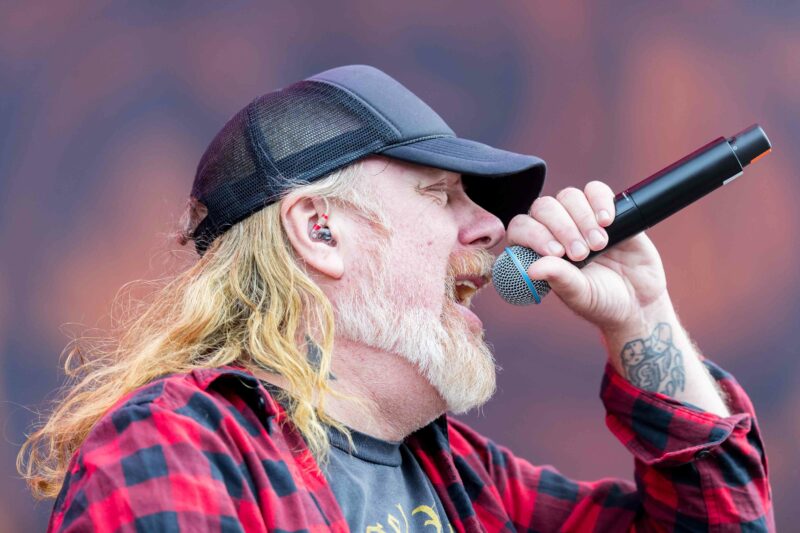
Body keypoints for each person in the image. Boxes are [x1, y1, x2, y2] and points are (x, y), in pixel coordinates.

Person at [20, 65, 772, 532]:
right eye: (442, 194)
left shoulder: (469, 481)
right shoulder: (181, 444)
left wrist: (642, 313)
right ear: (320, 230)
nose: (491, 228)